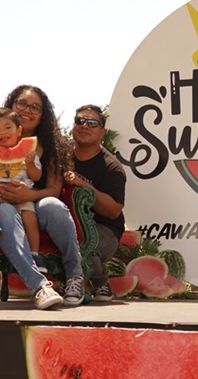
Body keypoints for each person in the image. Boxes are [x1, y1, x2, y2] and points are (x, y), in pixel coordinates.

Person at [0, 85, 83, 309]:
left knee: (53, 205)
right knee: (3, 212)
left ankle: (75, 276)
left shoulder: (49, 145)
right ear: (11, 104)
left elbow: (54, 190)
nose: (27, 110)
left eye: (35, 107)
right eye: (21, 103)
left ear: (43, 115)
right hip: (0, 203)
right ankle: (40, 287)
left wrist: (29, 194)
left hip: (35, 206)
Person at [65, 105, 126, 302]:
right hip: (68, 222)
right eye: (80, 121)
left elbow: (113, 211)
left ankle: (100, 281)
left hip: (104, 229)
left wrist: (83, 185)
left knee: (82, 245)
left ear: (102, 132)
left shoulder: (112, 168)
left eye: (92, 123)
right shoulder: (61, 156)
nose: (85, 126)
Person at [0, 107, 43, 264]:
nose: (2, 132)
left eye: (7, 127)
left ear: (19, 130)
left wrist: (30, 163)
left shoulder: (30, 153)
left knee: (30, 216)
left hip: (22, 194)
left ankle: (35, 254)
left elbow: (36, 176)